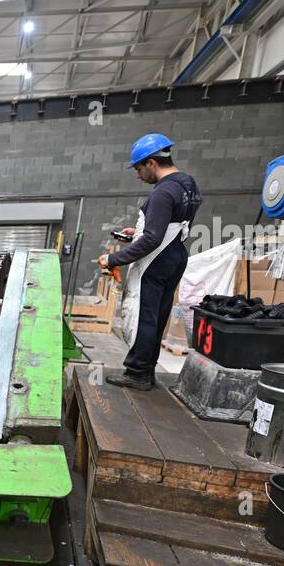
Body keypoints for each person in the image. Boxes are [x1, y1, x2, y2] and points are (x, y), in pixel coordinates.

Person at [97, 133, 202, 390]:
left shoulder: (162, 192)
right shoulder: (187, 185)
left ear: (151, 163)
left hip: (155, 260)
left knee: (144, 315)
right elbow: (170, 226)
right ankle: (147, 370)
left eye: (138, 168)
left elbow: (153, 239)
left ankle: (137, 374)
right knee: (158, 314)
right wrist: (138, 233)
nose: (138, 175)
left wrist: (113, 258)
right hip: (175, 255)